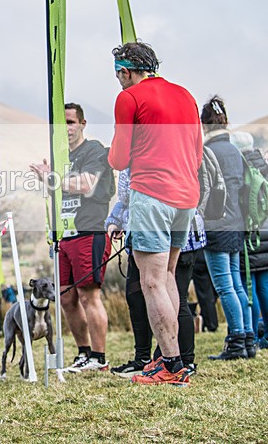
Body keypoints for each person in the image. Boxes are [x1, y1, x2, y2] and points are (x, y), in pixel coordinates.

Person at [107, 42, 202, 385]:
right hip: (187, 195)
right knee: (168, 277)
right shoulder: (185, 95)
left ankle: (172, 366)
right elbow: (197, 153)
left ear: (126, 71)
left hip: (152, 194)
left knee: (151, 281)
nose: (118, 81)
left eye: (118, 74)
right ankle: (170, 357)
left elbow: (119, 159)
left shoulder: (129, 97)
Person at [30, 103, 114, 372]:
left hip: (88, 231)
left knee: (89, 296)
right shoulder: (60, 157)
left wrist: (51, 178)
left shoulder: (94, 150)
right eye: (60, 123)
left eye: (70, 122)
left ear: (82, 124)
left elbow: (87, 184)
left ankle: (99, 358)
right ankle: (83, 352)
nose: (65, 128)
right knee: (66, 299)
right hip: (63, 236)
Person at [106, 168, 205, 377]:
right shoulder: (183, 147)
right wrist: (115, 219)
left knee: (169, 294)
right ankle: (151, 359)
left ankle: (179, 360)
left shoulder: (144, 149)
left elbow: (127, 192)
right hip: (164, 227)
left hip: (162, 232)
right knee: (141, 296)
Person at [200, 97, 251, 359]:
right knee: (237, 283)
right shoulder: (235, 151)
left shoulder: (208, 152)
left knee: (224, 285)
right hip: (237, 223)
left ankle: (236, 341)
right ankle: (249, 337)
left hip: (216, 224)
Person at [231, 131, 268, 349]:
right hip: (266, 231)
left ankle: (251, 334)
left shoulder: (241, 168)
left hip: (250, 235)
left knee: (248, 285)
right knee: (265, 283)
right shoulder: (263, 164)